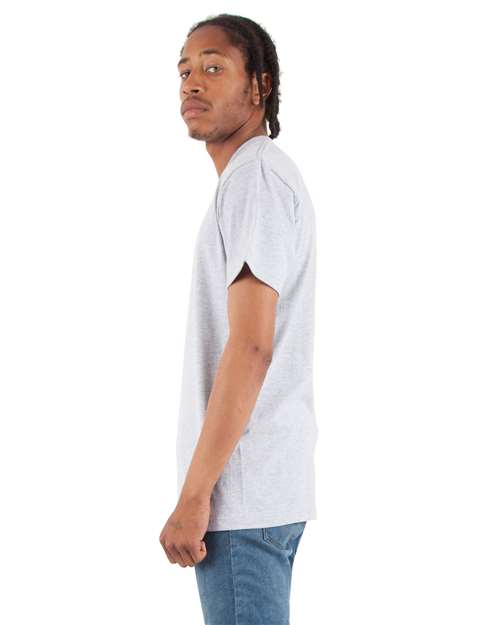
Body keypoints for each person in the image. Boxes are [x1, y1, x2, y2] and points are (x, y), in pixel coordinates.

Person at [159, 13, 319, 625]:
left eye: (213, 67)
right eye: (184, 71)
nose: (192, 83)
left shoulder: (255, 177)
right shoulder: (256, 178)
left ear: (260, 86)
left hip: (243, 498)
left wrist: (195, 497)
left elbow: (252, 347)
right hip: (260, 491)